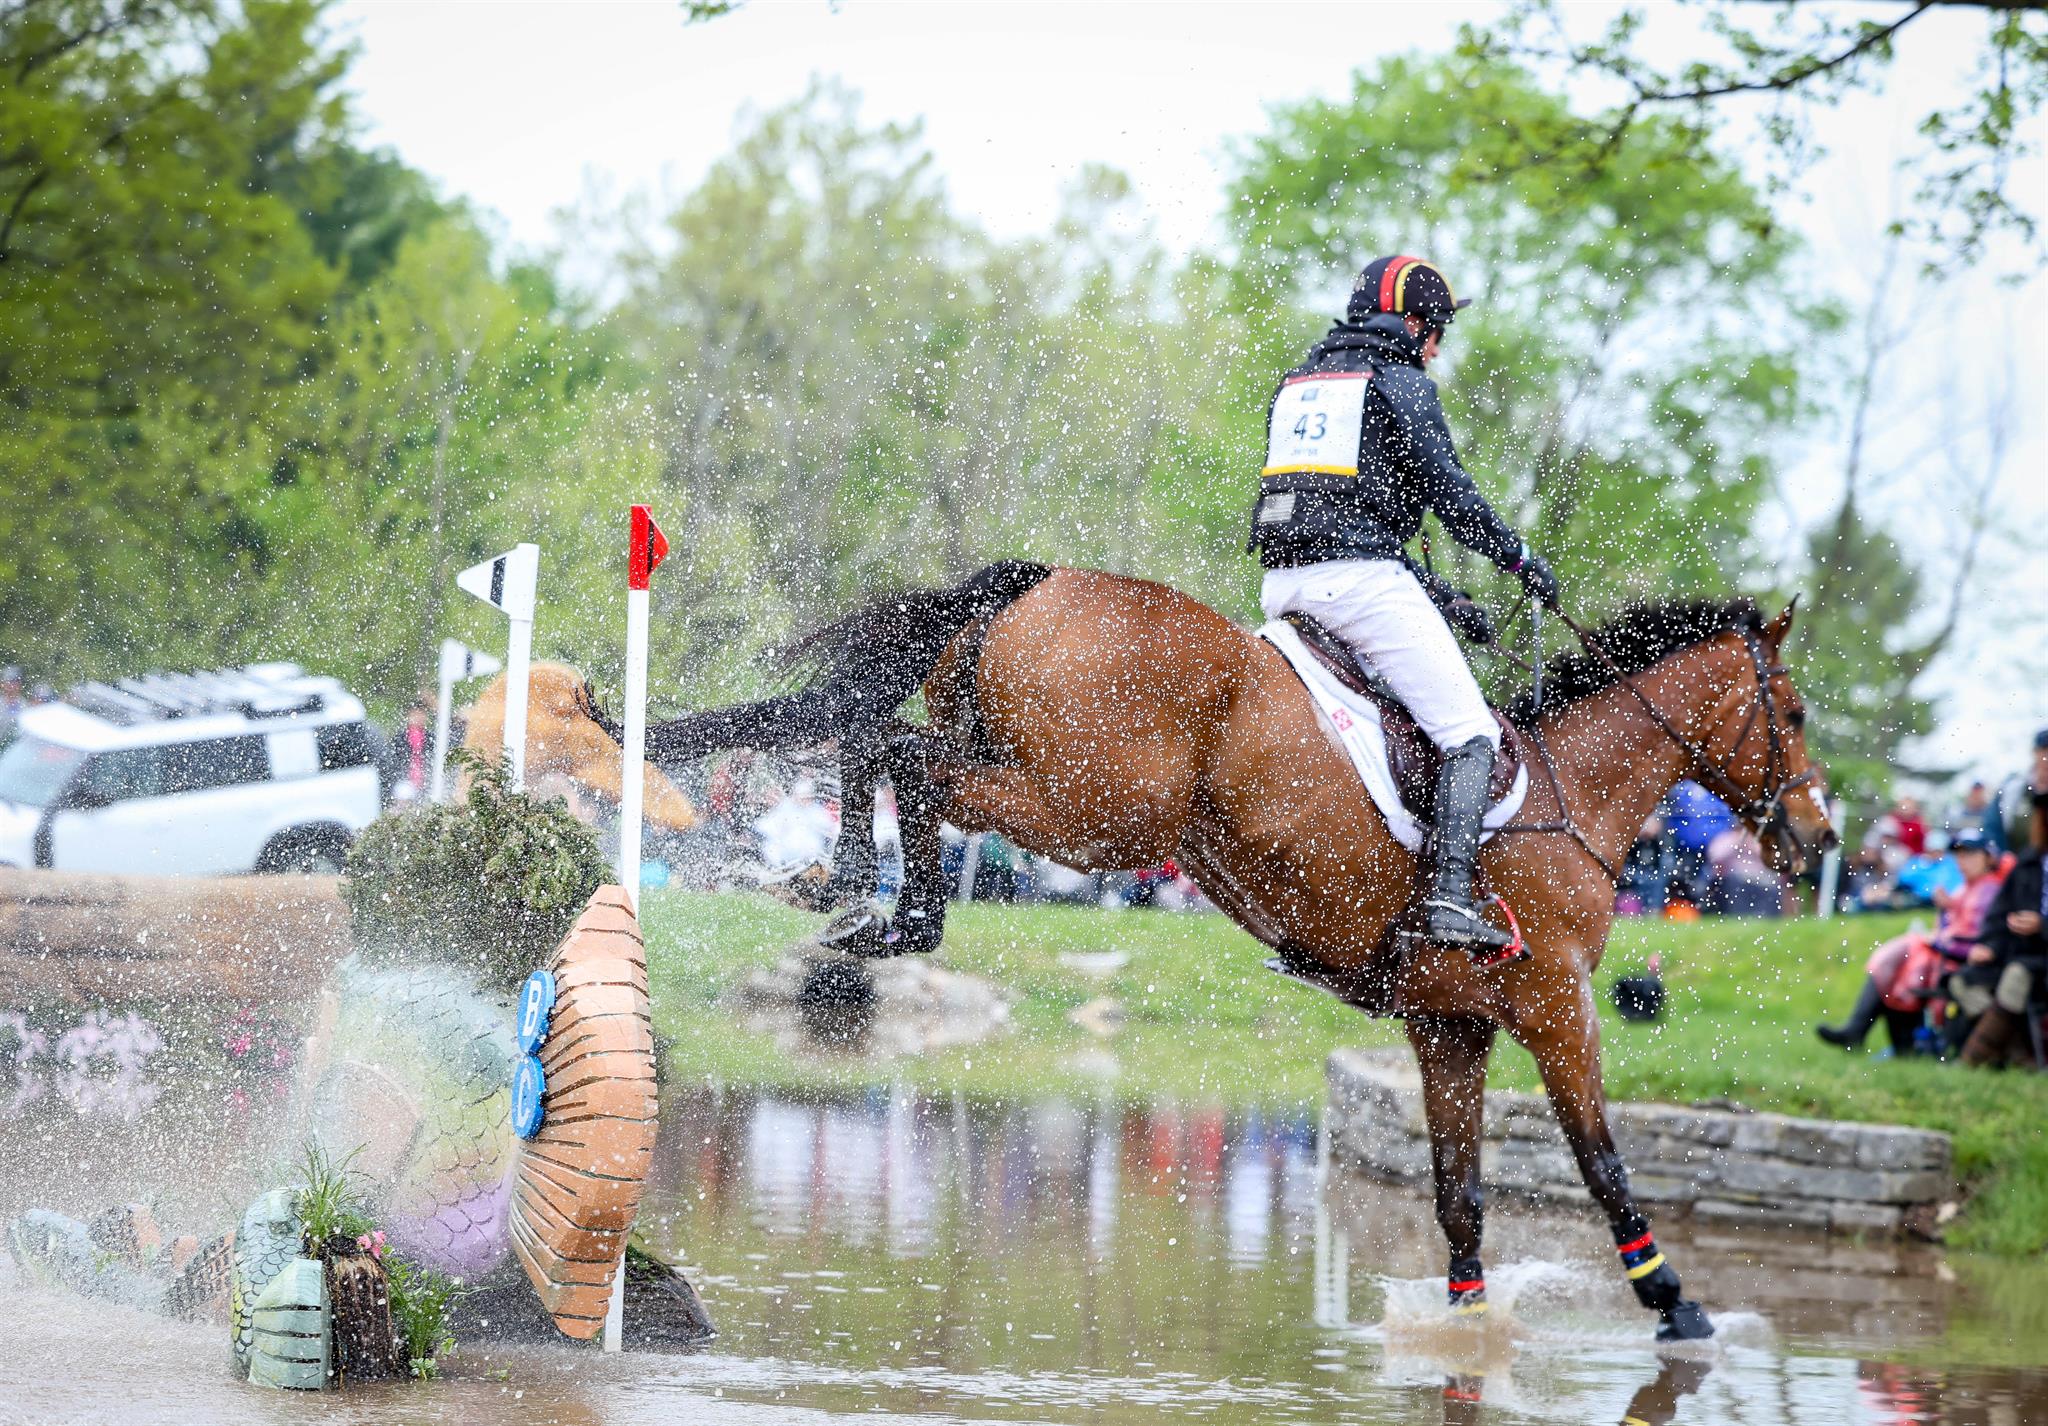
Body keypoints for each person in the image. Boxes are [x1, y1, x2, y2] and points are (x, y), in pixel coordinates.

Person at [1248, 255, 1558, 955]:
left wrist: (1444, 601)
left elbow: (1351, 512)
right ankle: (1450, 895)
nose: (1439, 347)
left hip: (1283, 585)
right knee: (1468, 733)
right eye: (1438, 330)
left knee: (1374, 731)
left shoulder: (1299, 383)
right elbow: (1449, 495)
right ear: (1413, 323)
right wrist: (1518, 560)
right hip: (1356, 585)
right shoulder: (1400, 382)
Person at [1818, 826, 2006, 1053]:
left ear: (1987, 858)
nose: (1962, 861)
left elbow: (1973, 939)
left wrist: (1938, 939)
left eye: (1970, 854)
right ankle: (1876, 1036)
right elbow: (1953, 930)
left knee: (1904, 957)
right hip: (1947, 958)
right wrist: (1945, 912)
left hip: (1963, 963)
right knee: (1902, 960)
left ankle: (1869, 1034)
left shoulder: (1988, 890)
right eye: (1959, 855)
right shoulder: (1965, 888)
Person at [1950, 786, 2047, 1067]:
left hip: (2039, 959)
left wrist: (2042, 926)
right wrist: (1989, 946)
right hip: (2015, 951)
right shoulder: (2028, 863)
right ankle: (2016, 1052)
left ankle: (1971, 1059)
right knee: (1963, 979)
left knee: (2015, 977)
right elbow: (1999, 914)